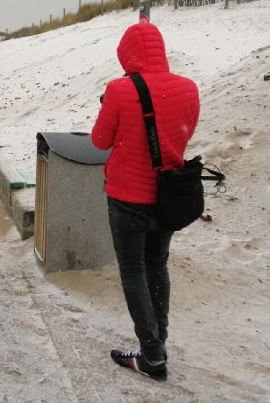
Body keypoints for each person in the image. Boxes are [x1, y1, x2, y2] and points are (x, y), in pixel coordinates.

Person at [91, 22, 199, 382]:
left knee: (133, 270)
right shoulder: (188, 88)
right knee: (157, 266)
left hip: (127, 199)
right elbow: (180, 136)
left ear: (127, 52)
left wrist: (112, 109)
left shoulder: (120, 90)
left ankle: (151, 355)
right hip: (167, 197)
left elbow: (100, 141)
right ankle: (159, 343)